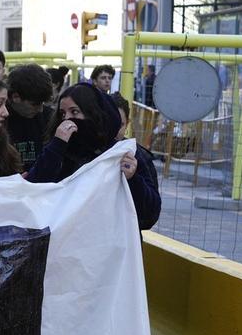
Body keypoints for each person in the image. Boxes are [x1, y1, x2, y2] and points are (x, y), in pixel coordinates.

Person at [36, 84, 160, 228]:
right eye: (63, 114)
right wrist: (56, 147)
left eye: (74, 112)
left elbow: (149, 215)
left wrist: (133, 180)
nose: (67, 119)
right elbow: (35, 193)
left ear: (93, 114)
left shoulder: (125, 153)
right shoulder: (58, 149)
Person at [110, 94, 161, 230]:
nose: (114, 130)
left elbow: (150, 216)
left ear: (127, 124)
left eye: (120, 124)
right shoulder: (85, 151)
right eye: (109, 122)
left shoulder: (139, 157)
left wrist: (134, 179)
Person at [4, 64, 56, 171]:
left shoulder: (49, 117)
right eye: (35, 104)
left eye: (43, 103)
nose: (40, 110)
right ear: (15, 97)